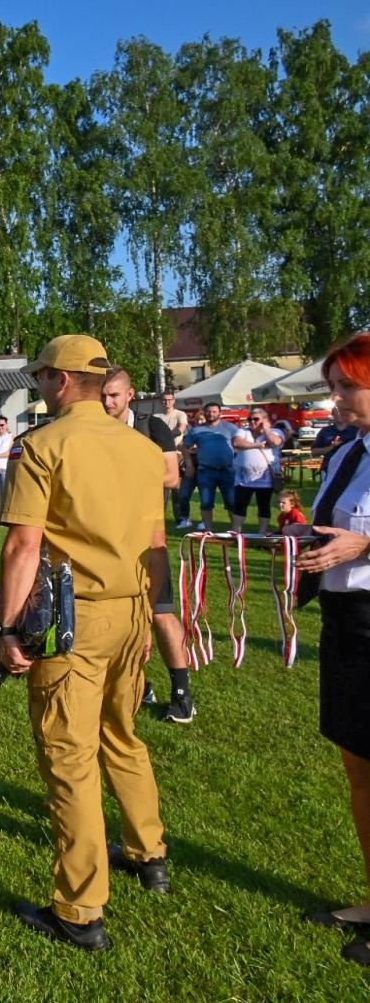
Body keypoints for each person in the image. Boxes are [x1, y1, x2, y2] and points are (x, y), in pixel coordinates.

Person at [0, 334, 171, 952]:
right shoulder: (144, 448)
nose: (41, 385)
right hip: (131, 610)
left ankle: (80, 908)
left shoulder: (44, 445)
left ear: (62, 381)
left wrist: (10, 626)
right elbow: (156, 540)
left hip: (76, 617)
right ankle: (149, 852)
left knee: (69, 758)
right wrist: (155, 614)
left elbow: (22, 545)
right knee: (122, 735)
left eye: (43, 375)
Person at [296, 333, 370, 968]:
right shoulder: (349, 452)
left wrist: (363, 548)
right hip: (349, 622)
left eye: (348, 386)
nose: (336, 397)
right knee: (359, 764)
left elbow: (358, 539)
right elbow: (334, 526)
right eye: (335, 385)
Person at [102, 366, 197, 722]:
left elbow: (172, 476)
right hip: (108, 537)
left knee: (160, 612)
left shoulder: (151, 427)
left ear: (130, 395)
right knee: (116, 615)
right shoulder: (96, 430)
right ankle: (138, 685)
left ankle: (182, 692)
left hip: (146, 537)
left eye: (114, 394)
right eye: (103, 394)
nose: (107, 401)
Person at [183, 402, 240, 531]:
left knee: (232, 503)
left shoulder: (231, 428)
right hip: (206, 471)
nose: (211, 414)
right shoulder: (197, 430)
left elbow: (240, 443)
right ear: (204, 413)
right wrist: (190, 464)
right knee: (206, 503)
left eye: (214, 411)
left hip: (228, 471)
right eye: (208, 411)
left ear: (220, 413)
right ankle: (208, 531)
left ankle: (236, 531)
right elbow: (183, 446)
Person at [233, 406, 284, 533]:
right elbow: (237, 443)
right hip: (243, 478)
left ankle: (262, 533)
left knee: (264, 506)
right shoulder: (243, 432)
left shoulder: (276, 432)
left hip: (265, 478)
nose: (252, 422)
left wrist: (266, 429)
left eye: (256, 419)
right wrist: (258, 445)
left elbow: (275, 442)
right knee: (240, 505)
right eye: (249, 419)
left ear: (265, 420)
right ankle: (236, 532)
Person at [0, 415, 14, 524]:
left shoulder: (11, 437)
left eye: (2, 425)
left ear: (6, 425)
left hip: (5, 468)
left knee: (5, 495)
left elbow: (9, 453)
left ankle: (4, 517)